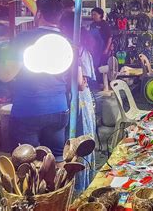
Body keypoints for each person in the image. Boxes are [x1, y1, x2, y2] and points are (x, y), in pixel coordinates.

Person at [0, 0, 69, 161]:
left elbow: (7, 75)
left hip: (28, 110)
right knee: (56, 160)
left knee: (27, 165)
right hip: (59, 108)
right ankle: (58, 188)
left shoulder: (24, 38)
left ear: (39, 14)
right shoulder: (67, 41)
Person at [60, 11, 97, 193]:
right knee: (83, 140)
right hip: (83, 99)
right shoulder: (80, 48)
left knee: (77, 142)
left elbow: (80, 83)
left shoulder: (72, 49)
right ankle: (83, 181)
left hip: (76, 99)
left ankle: (78, 184)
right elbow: (85, 81)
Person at [89, 7, 112, 73]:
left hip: (103, 48)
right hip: (94, 49)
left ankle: (102, 81)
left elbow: (109, 37)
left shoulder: (105, 24)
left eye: (95, 14)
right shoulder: (92, 25)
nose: (93, 16)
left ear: (100, 15)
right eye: (92, 14)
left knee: (102, 67)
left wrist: (106, 49)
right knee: (94, 66)